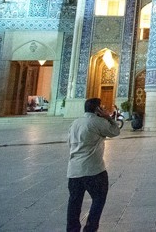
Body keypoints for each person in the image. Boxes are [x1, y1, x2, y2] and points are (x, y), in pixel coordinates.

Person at [67, 98, 122, 232]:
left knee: (74, 203)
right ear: (98, 109)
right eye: (101, 107)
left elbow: (69, 142)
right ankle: (90, 229)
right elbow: (115, 131)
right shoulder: (97, 122)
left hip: (74, 170)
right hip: (93, 170)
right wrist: (108, 117)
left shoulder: (75, 123)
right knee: (99, 199)